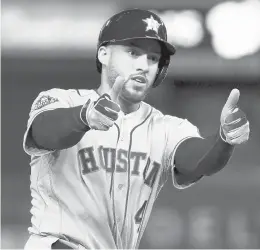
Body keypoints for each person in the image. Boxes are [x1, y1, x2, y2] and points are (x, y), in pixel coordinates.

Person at [23, 8, 250, 249]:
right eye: (133, 52)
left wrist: (224, 139)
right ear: (103, 53)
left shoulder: (166, 129)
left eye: (153, 58)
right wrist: (83, 116)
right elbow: (43, 132)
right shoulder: (62, 101)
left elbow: (198, 159)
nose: (144, 65)